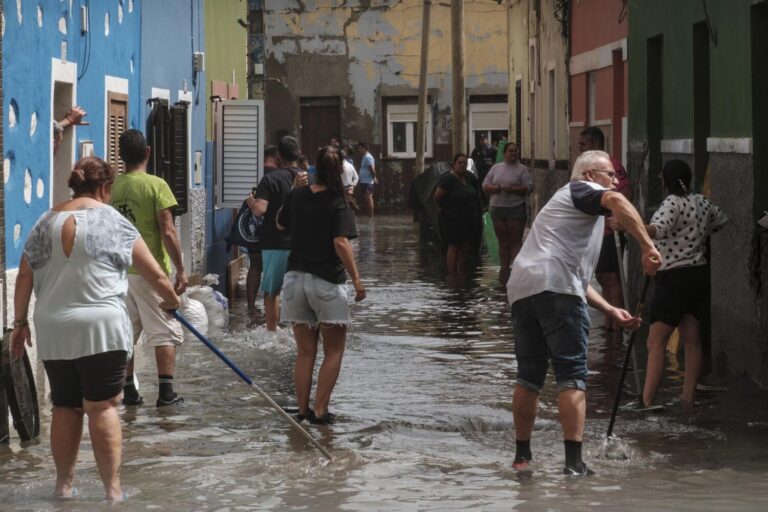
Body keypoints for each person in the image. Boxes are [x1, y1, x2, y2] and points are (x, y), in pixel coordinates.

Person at [11, 157, 179, 501]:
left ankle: (63, 488)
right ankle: (112, 493)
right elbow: (154, 274)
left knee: (65, 406)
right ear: (105, 187)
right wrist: (171, 300)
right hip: (102, 328)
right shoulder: (113, 221)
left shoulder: (44, 222)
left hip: (54, 328)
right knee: (102, 407)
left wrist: (19, 323)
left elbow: (25, 275)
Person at [507, 150, 661, 475]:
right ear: (590, 175)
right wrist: (648, 246)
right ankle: (574, 464)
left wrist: (610, 309)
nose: (615, 183)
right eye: (610, 175)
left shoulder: (569, 214)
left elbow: (575, 280)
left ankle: (522, 457)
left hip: (522, 289)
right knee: (572, 376)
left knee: (528, 377)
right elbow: (618, 202)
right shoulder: (581, 189)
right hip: (554, 288)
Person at [611, 160, 727, 408]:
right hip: (697, 276)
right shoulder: (702, 202)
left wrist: (628, 225)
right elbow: (721, 221)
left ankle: (647, 399)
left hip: (673, 278)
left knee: (655, 342)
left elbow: (658, 229)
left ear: (667, 181)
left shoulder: (672, 202)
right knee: (691, 339)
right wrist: (695, 237)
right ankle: (687, 398)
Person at [277, 145, 366, 425]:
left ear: (314, 167)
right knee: (334, 350)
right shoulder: (339, 201)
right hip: (326, 283)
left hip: (294, 281)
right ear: (340, 171)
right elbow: (340, 242)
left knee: (305, 352)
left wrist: (292, 190)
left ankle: (302, 410)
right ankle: (320, 410)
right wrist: (357, 280)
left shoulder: (298, 195)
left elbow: (280, 225)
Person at [111, 130, 187, 407]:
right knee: (164, 330)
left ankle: (129, 390)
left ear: (121, 156)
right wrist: (180, 269)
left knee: (126, 332)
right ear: (148, 152)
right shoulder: (157, 185)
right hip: (150, 271)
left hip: (119, 273)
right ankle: (166, 393)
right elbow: (168, 232)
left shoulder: (112, 187)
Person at [247, 136, 307, 331]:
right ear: (298, 154)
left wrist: (251, 203)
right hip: (302, 244)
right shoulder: (309, 179)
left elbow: (260, 210)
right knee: (300, 291)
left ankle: (272, 332)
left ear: (278, 157)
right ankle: (299, 332)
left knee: (273, 291)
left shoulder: (270, 179)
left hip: (275, 243)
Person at [579, 126, 633, 330]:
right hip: (596, 233)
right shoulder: (588, 169)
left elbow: (626, 192)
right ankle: (611, 322)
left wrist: (616, 215)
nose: (580, 149)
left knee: (611, 278)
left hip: (610, 232)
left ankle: (616, 325)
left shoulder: (611, 165)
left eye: (583, 145)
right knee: (603, 277)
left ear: (595, 145)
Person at [482, 142, 533, 284]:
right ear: (504, 153)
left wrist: (512, 189)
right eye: (510, 151)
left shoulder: (522, 169)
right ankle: (504, 270)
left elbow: (529, 187)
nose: (513, 153)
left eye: (515, 151)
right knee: (503, 241)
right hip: (498, 208)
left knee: (515, 241)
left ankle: (517, 270)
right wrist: (496, 188)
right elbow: (485, 185)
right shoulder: (496, 168)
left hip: (515, 208)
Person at [433, 153, 482, 280]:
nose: (462, 165)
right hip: (452, 219)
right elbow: (437, 197)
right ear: (454, 164)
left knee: (466, 246)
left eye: (464, 163)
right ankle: (452, 275)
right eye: (459, 163)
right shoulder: (448, 179)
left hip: (470, 219)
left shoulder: (469, 178)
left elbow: (476, 195)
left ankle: (461, 273)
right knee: (454, 245)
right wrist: (444, 208)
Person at [244, 145, 281, 317]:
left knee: (255, 266)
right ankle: (274, 312)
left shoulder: (253, 172)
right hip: (275, 229)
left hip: (253, 227)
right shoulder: (280, 174)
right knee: (276, 272)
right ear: (276, 156)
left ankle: (251, 307)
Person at [356, 141, 378, 217]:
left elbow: (371, 169)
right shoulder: (364, 156)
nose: (358, 150)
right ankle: (368, 215)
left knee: (368, 199)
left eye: (359, 148)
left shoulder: (368, 157)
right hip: (364, 181)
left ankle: (370, 216)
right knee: (366, 199)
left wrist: (374, 177)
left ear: (364, 148)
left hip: (367, 181)